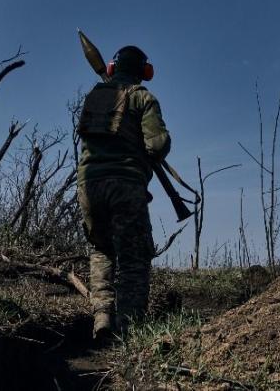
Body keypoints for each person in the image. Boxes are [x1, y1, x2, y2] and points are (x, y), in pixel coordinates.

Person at [76, 45, 171, 341]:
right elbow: (157, 145)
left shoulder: (95, 96)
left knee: (101, 249)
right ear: (144, 72)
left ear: (114, 67)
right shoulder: (143, 98)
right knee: (134, 256)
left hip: (88, 187)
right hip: (126, 186)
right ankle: (130, 327)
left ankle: (103, 314)